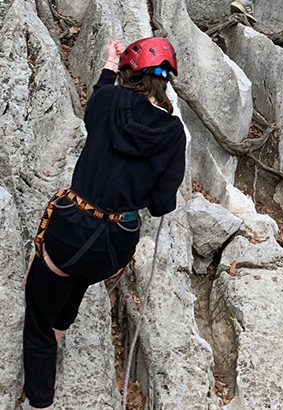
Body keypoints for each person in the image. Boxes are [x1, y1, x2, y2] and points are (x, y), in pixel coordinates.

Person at [22, 37, 186, 410]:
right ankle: (57, 341)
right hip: (115, 246)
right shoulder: (173, 133)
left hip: (71, 231)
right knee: (77, 281)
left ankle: (40, 400)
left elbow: (97, 99)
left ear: (130, 72)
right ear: (165, 79)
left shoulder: (108, 101)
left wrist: (109, 65)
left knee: (38, 316)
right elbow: (162, 205)